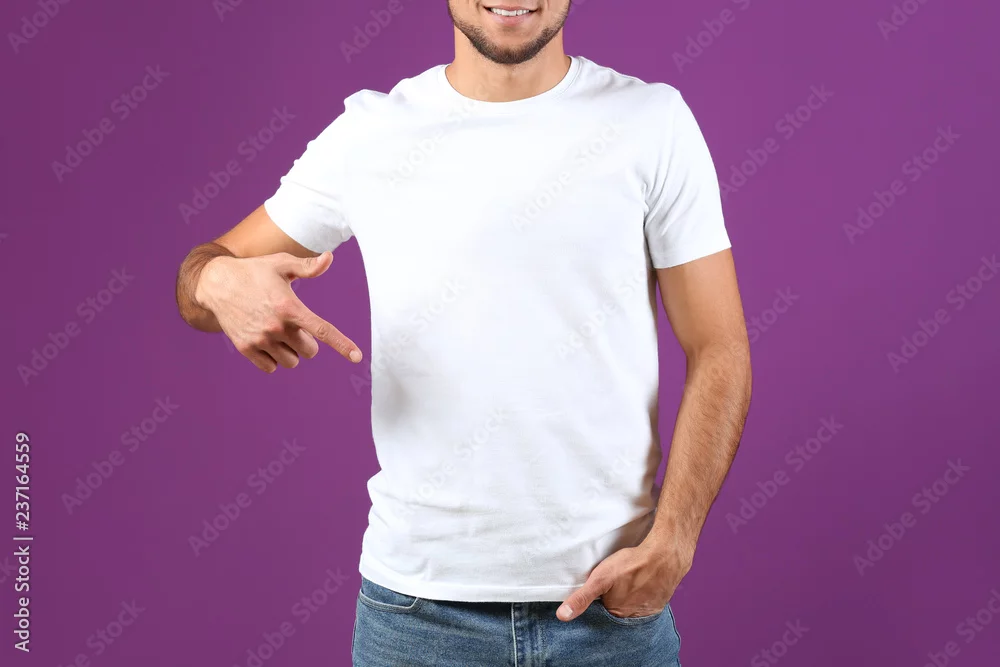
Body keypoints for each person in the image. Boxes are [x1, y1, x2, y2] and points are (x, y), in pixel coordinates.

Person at [175, 1, 752, 664]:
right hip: (416, 619)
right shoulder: (372, 133)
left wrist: (675, 539)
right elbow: (205, 276)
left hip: (611, 615)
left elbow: (719, 347)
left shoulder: (651, 122)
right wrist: (216, 282)